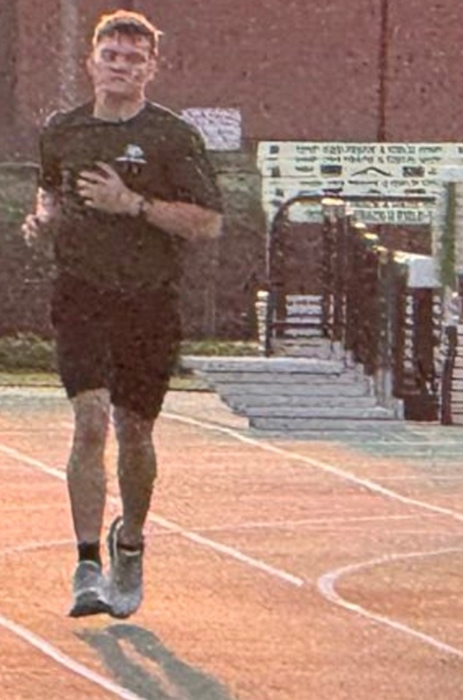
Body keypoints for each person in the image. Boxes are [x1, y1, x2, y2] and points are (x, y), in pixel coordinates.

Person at [21, 10, 225, 620]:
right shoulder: (64, 130)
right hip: (82, 293)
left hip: (149, 299)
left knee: (135, 431)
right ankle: (86, 563)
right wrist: (43, 220)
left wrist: (131, 203)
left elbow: (209, 223)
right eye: (112, 55)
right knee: (90, 421)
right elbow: (51, 191)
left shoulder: (172, 137)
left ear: (151, 69)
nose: (121, 66)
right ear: (92, 61)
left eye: (134, 59)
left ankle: (129, 540)